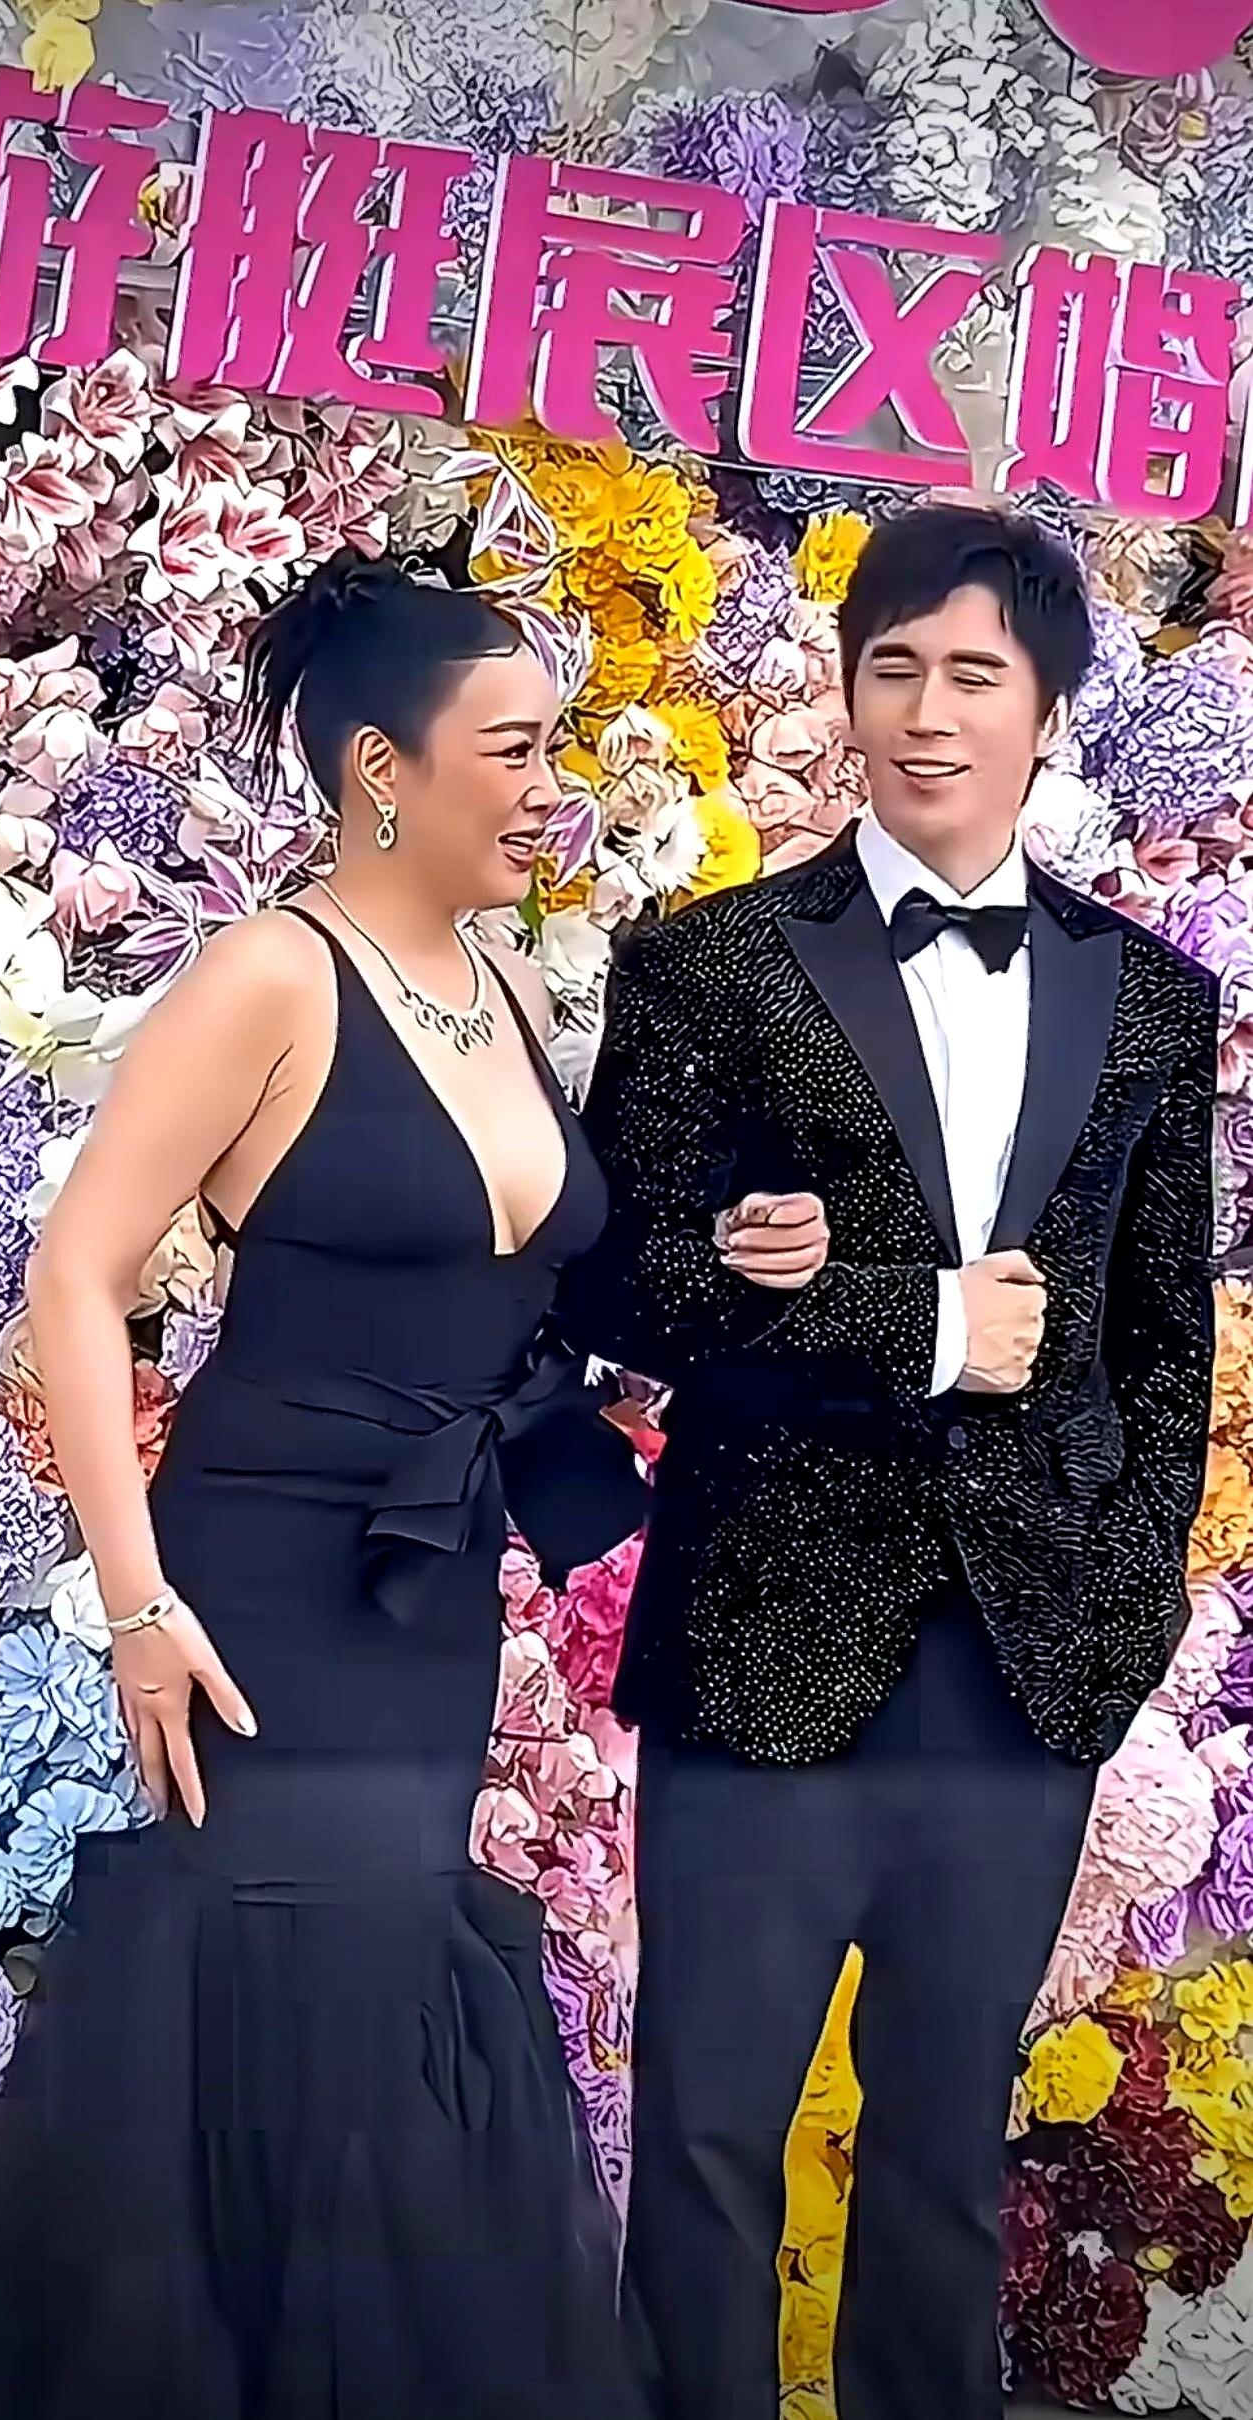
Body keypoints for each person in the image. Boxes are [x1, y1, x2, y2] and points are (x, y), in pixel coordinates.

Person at [0, 550, 676, 2420]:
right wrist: (136, 1606)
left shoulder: (497, 983)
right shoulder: (271, 975)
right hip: (262, 1601)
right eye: (515, 749)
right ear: (385, 767)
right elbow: (75, 1274)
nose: (553, 789)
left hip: (431, 1591)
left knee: (380, 1988)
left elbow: (521, 1283)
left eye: (558, 750)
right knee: (298, 1986)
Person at [562, 505, 1218, 2420]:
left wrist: (1122, 1609)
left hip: (1023, 1664)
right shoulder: (709, 967)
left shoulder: (1150, 998)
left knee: (944, 2145)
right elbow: (617, 1280)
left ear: (1049, 710)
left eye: (974, 675)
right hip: (767, 1632)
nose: (929, 713)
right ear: (848, 691)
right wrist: (900, 1316)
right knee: (709, 2129)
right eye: (894, 668)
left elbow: (1157, 1340)